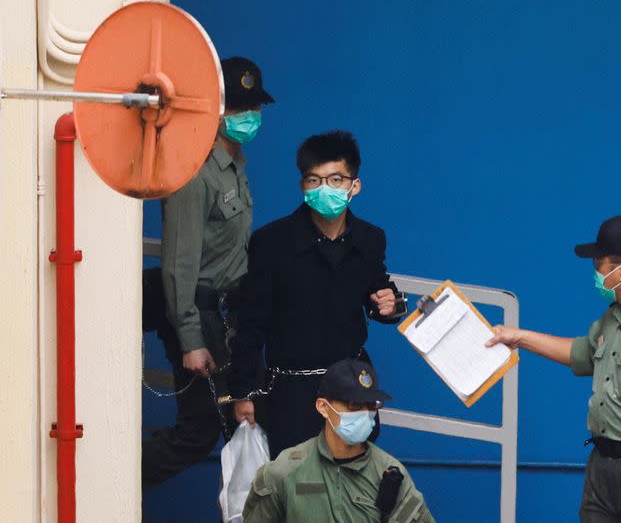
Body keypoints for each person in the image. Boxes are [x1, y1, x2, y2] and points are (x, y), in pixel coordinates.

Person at [486, 215, 621, 523]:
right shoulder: (613, 318)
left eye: (599, 265)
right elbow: (580, 353)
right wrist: (519, 337)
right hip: (604, 470)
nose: (595, 272)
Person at [228, 130, 405, 457]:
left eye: (336, 179)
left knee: (352, 482)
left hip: (352, 385)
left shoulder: (370, 239)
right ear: (302, 186)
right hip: (289, 389)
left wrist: (389, 304)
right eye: (314, 180)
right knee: (298, 490)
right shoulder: (272, 242)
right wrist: (243, 393)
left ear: (355, 185)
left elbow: (378, 289)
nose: (325, 189)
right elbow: (250, 322)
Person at [141, 56, 274, 490]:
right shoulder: (195, 174)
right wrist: (192, 340)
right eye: (236, 109)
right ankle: (113, 486)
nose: (247, 118)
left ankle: (252, 513)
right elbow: (179, 264)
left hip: (229, 309)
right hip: (201, 309)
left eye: (252, 108)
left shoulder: (234, 163)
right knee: (201, 429)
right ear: (214, 111)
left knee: (247, 420)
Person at [242, 359, 435, 523]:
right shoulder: (284, 472)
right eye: (353, 404)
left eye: (372, 405)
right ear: (323, 407)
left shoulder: (389, 474)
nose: (365, 413)